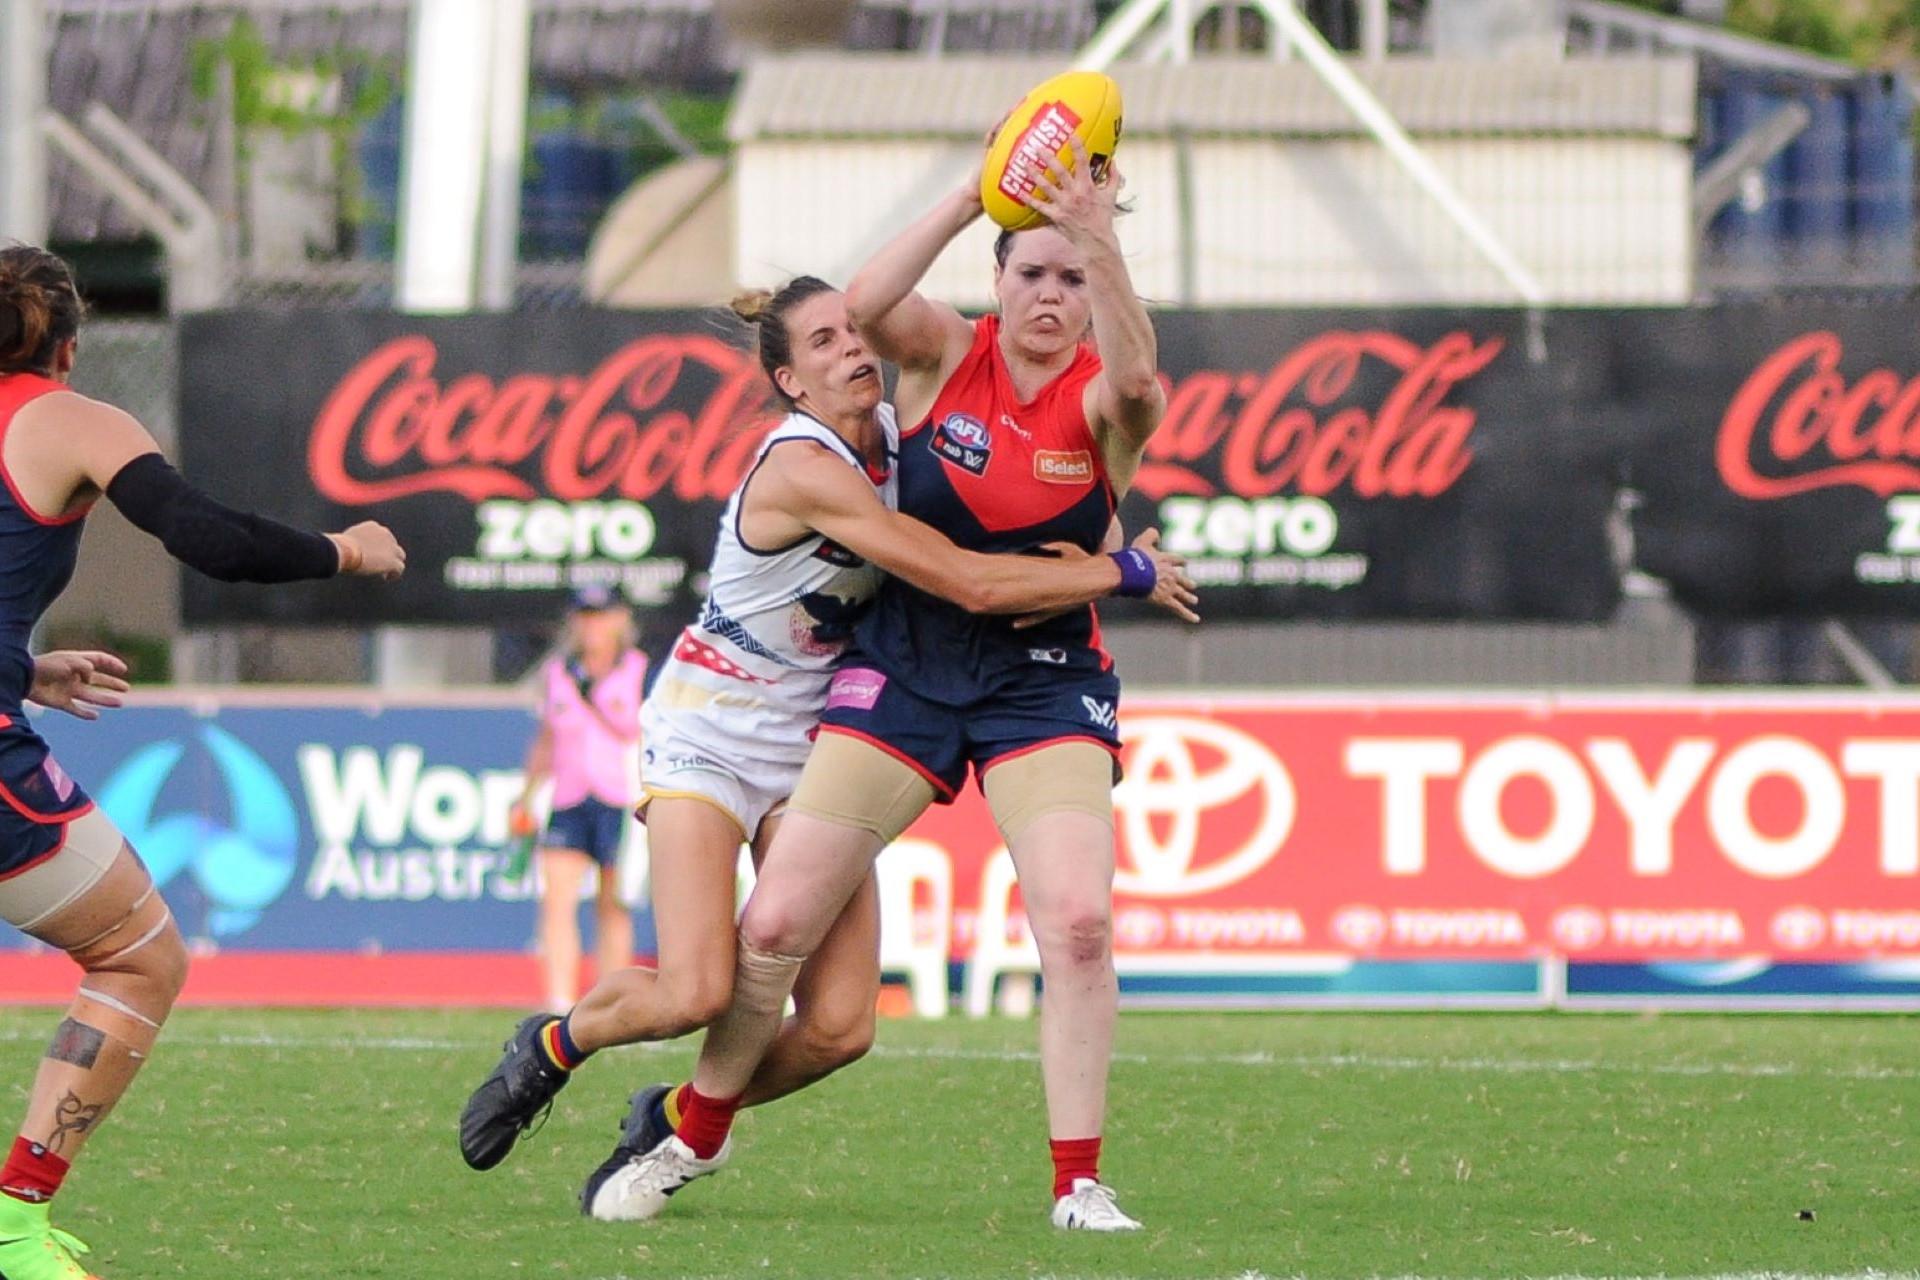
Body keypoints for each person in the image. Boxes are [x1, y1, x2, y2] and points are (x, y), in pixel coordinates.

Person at [456, 276, 1195, 1218]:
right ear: (792, 384)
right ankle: (554, 1046)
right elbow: (965, 578)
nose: (853, 349)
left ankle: (677, 1115)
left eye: (853, 333)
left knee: (844, 1027)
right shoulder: (802, 464)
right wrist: (1121, 571)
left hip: (817, 733)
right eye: (822, 344)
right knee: (694, 988)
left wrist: (1089, 536)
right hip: (712, 732)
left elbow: (1020, 513)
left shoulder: (903, 438)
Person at [604, 136, 1174, 1231]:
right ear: (998, 282)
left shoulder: (1109, 394)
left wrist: (1099, 236)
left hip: (1040, 679)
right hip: (904, 663)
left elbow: (1142, 383)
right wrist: (973, 191)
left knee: (1080, 923)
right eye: (1030, 273)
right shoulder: (946, 350)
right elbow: (860, 303)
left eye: (1070, 278)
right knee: (770, 926)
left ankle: (1078, 1182)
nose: (1050, 296)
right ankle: (690, 1134)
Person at [0, 243, 405, 1279]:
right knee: (139, 958)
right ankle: (13, 1226)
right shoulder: (73, 419)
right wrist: (346, 549)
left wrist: (22, 667)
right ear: (70, 345)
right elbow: (211, 538)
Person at [509, 585, 647, 1015]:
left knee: (612, 904)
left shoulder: (639, 668)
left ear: (620, 619)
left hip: (620, 794)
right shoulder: (560, 671)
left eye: (601, 616)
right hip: (569, 793)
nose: (592, 626)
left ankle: (610, 999)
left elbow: (637, 730)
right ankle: (559, 1001)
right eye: (585, 616)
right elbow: (548, 737)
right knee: (557, 899)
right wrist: (527, 795)